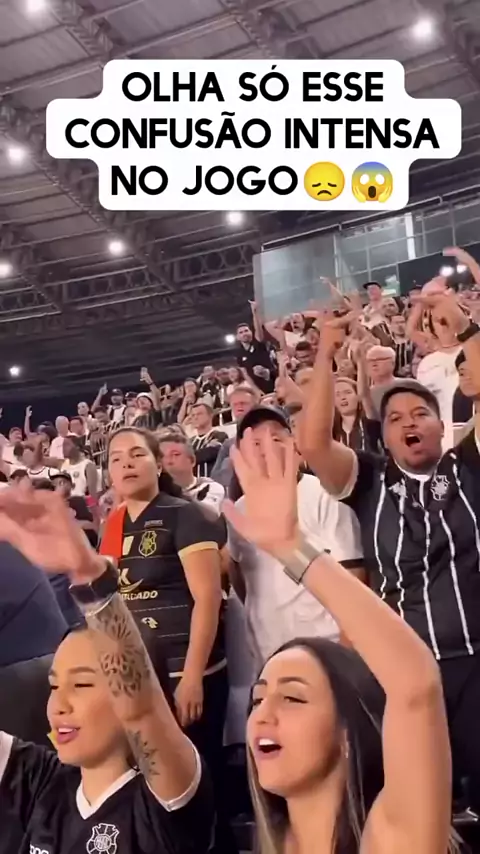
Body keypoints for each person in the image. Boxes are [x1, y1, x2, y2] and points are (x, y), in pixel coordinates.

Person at [223, 428, 451, 854]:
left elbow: (415, 684)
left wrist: (291, 548)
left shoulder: (392, 838)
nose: (263, 715)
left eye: (293, 698)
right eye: (257, 699)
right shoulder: (272, 843)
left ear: (347, 732)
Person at [300, 297, 480, 810]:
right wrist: (326, 354)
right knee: (423, 808)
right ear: (384, 436)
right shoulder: (370, 480)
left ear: (442, 426)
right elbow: (313, 444)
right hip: (404, 670)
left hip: (477, 661)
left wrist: (467, 330)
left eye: (421, 413)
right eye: (395, 417)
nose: (408, 422)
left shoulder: (470, 464)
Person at [0, 488, 214, 854]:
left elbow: (141, 708)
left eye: (82, 684)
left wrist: (89, 577)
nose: (59, 705)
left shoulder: (163, 797)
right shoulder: (42, 780)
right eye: (54, 686)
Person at [99, 426, 236, 854]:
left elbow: (208, 599)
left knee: (200, 786)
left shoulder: (186, 514)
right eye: (116, 458)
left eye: (136, 454)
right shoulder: (114, 524)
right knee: (156, 791)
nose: (126, 463)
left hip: (187, 674)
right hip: (141, 678)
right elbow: (112, 600)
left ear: (158, 464)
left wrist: (193, 677)